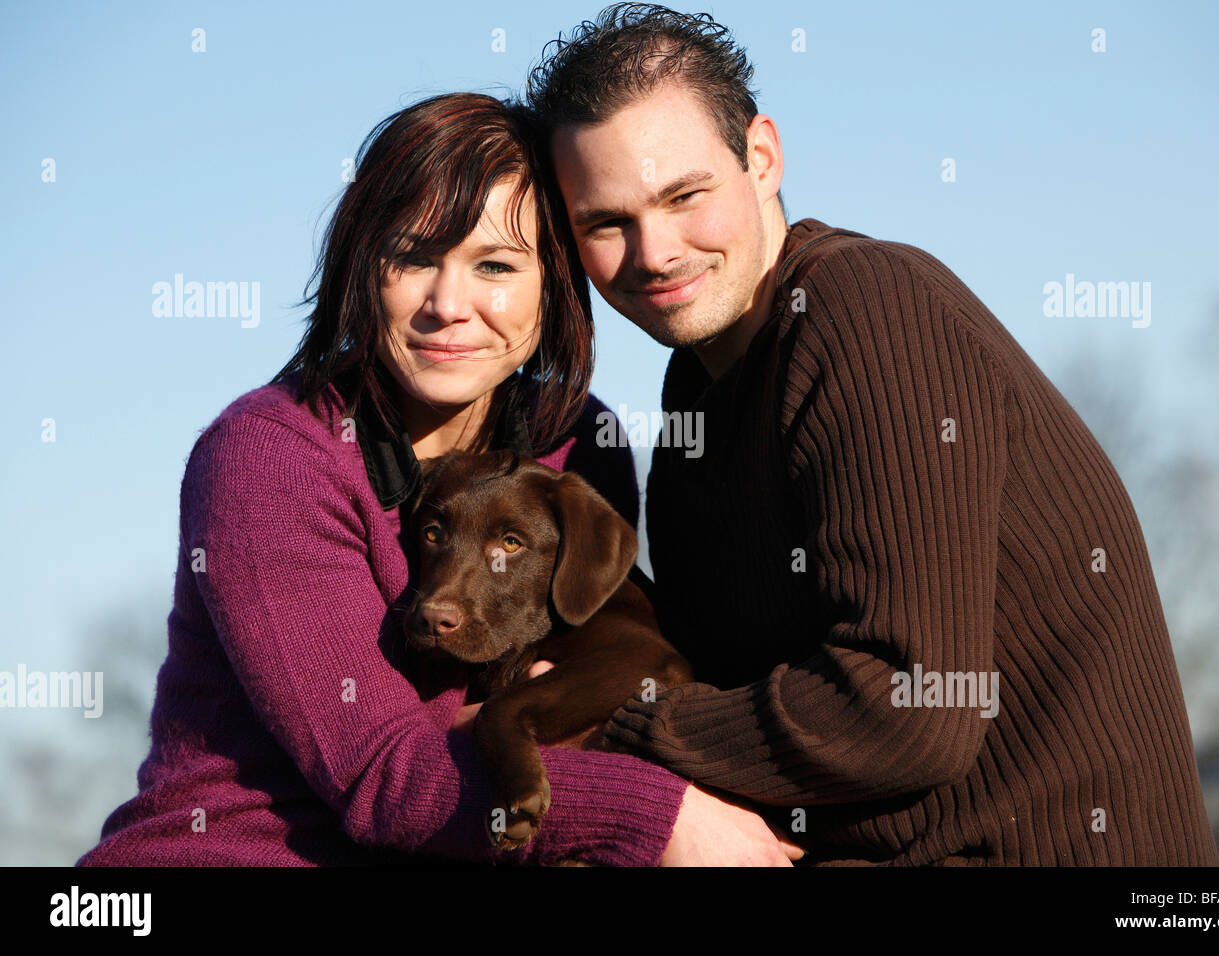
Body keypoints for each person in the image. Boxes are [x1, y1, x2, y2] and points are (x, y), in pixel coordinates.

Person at [525, 4, 1219, 865]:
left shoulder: (866, 310)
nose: (656, 250)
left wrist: (611, 735)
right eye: (606, 223)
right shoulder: (697, 400)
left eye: (684, 195)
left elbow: (912, 707)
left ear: (763, 156)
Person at [76, 91, 799, 867]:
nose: (448, 305)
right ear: (362, 266)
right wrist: (660, 820)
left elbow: (597, 669)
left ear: (553, 283)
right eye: (414, 257)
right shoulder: (270, 459)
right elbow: (384, 782)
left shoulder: (577, 440)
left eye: (494, 265)